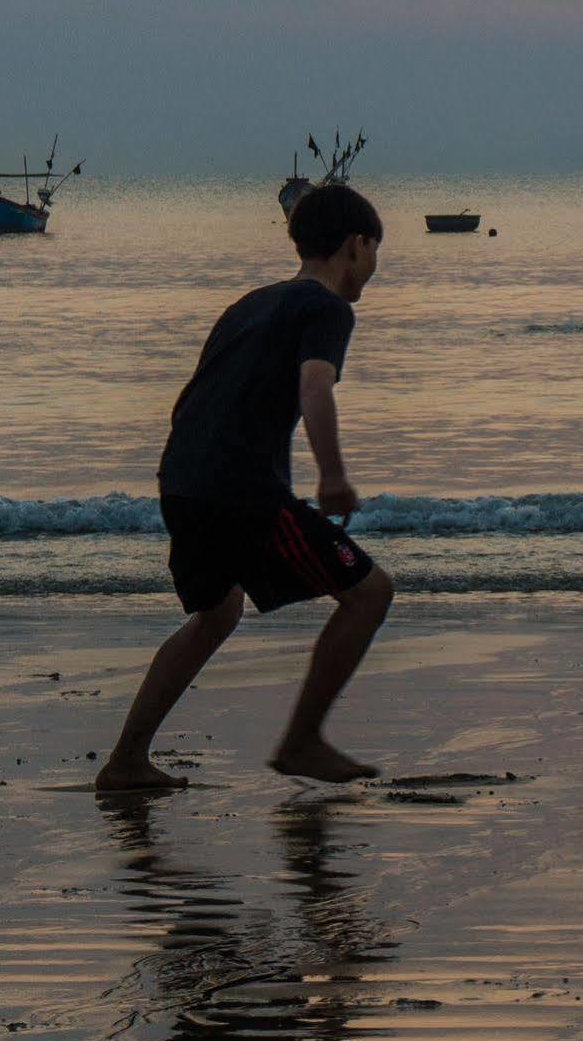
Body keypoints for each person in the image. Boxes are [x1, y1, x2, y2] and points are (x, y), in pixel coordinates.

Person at [93, 185, 393, 791]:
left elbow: (202, 391)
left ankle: (127, 759)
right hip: (240, 488)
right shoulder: (328, 309)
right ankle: (302, 740)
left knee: (216, 612)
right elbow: (315, 387)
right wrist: (332, 475)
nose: (374, 264)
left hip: (182, 479)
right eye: (375, 249)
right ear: (356, 245)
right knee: (370, 593)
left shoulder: (251, 303)